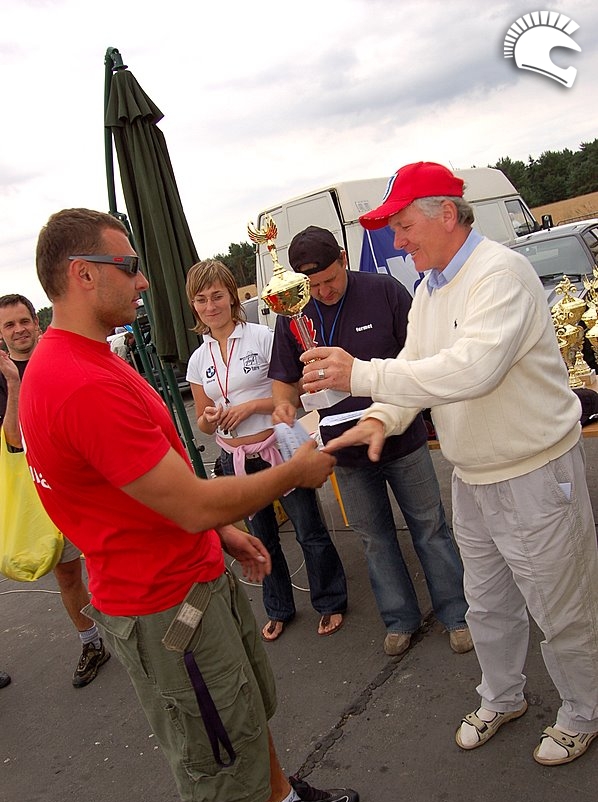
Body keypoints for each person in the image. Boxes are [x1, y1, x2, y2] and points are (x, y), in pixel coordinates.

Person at [19, 208, 358, 802]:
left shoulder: (88, 361)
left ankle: (279, 801)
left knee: (242, 708)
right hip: (163, 606)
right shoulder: (79, 381)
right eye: (129, 266)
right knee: (214, 750)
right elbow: (191, 501)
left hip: (189, 576)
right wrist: (292, 473)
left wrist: (218, 534)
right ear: (82, 275)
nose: (144, 281)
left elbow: (143, 490)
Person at [301, 161, 598, 767]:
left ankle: (583, 711)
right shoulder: (431, 289)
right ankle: (502, 696)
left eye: (403, 226)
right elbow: (416, 367)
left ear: (445, 214)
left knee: (562, 607)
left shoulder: (500, 272)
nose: (397, 242)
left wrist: (362, 375)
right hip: (474, 477)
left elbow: (473, 370)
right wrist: (382, 417)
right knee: (486, 603)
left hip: (534, 474)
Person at [268, 226, 471, 657]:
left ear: (343, 259)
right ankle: (400, 620)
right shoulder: (291, 314)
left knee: (430, 526)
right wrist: (284, 406)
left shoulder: (384, 291)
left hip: (402, 435)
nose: (322, 291)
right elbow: (284, 379)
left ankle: (458, 615)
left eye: (329, 280)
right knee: (373, 537)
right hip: (343, 449)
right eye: (312, 285)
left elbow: (420, 357)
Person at [185, 259, 348, 641]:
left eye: (217, 296)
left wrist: (250, 407)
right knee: (261, 538)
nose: (210, 306)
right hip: (236, 460)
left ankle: (330, 600)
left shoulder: (261, 337)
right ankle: (278, 608)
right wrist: (211, 417)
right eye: (201, 299)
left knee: (308, 530)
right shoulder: (198, 359)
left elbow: (292, 393)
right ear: (193, 305)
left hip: (278, 448)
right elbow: (202, 422)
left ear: (232, 297)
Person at [0, 293, 110, 688]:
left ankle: (138, 631)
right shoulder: (3, 378)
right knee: (68, 576)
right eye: (9, 325)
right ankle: (92, 644)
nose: (19, 330)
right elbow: (14, 441)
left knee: (110, 559)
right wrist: (14, 383)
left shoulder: (59, 356)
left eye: (23, 321)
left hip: (88, 484)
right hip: (42, 494)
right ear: (1, 334)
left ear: (37, 322)